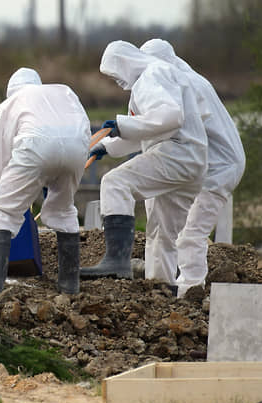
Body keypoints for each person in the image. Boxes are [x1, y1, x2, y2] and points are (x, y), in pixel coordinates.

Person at [84, 40, 208, 283]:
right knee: (162, 232)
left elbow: (170, 117)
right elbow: (148, 128)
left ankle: (116, 260)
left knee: (115, 183)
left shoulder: (151, 76)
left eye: (114, 72)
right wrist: (106, 146)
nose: (116, 80)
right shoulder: (159, 75)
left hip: (177, 153)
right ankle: (164, 289)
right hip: (192, 161)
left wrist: (122, 125)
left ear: (126, 63)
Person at [0, 68, 91, 297]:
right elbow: (81, 126)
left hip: (35, 147)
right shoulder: (64, 92)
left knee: (1, 211)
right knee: (64, 210)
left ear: (10, 90)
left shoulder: (11, 104)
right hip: (77, 148)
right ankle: (69, 284)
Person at [140, 38, 245, 297]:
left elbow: (166, 129)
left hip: (217, 166)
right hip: (205, 162)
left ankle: (190, 291)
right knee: (169, 228)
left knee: (190, 232)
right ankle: (162, 287)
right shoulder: (187, 79)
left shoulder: (181, 84)